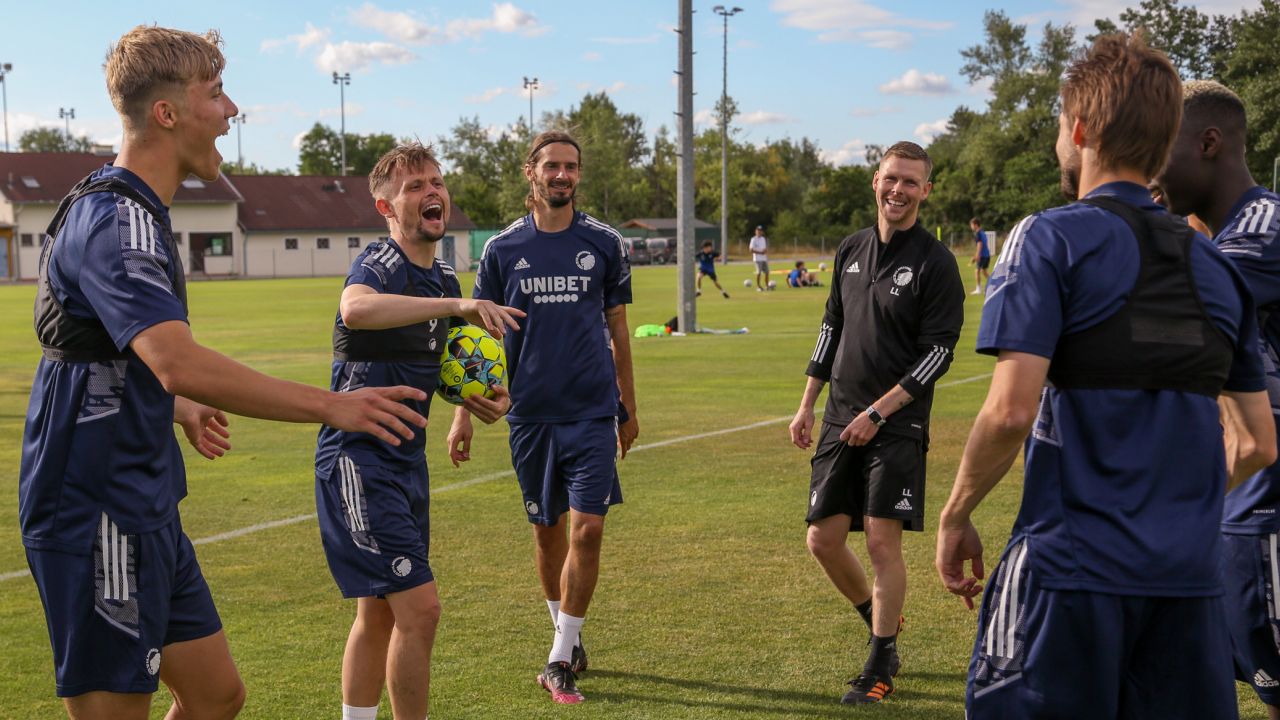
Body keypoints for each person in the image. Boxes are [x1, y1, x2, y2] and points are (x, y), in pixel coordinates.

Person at [18, 26, 427, 720]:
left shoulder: (130, 210)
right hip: (95, 507)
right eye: (216, 94)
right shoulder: (117, 219)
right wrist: (333, 405)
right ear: (166, 113)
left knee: (215, 696)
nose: (232, 110)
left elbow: (97, 342)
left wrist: (173, 405)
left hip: (144, 498)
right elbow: (176, 359)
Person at [936, 35, 1277, 719]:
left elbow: (1010, 412)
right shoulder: (1215, 267)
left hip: (1068, 574)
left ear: (1081, 130)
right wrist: (1173, 509)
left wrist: (956, 514)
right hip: (1187, 582)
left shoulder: (1048, 237)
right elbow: (1258, 442)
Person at [313, 142, 523, 720]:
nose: (432, 192)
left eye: (436, 182)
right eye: (414, 186)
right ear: (386, 207)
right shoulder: (381, 262)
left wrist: (469, 408)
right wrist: (455, 305)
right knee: (420, 609)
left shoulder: (444, 277)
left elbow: (451, 361)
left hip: (407, 461)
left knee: (378, 612)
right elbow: (356, 310)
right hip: (359, 460)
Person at [448, 129, 639, 705]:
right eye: (552, 165)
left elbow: (619, 330)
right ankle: (568, 637)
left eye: (571, 167)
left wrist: (628, 408)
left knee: (589, 529)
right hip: (529, 415)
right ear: (530, 172)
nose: (562, 175)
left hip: (591, 411)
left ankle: (558, 658)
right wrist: (461, 414)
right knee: (546, 530)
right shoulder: (502, 249)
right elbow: (478, 337)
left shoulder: (604, 243)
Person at [788, 140, 965, 705]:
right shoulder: (850, 248)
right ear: (875, 180)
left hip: (896, 424)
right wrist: (808, 402)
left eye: (911, 182)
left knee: (882, 541)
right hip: (841, 417)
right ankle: (878, 617)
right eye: (891, 178)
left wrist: (877, 412)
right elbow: (831, 327)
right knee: (822, 539)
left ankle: (880, 660)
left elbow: (938, 355)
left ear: (925, 191)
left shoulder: (936, 262)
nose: (898, 190)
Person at [1157, 79, 1280, 720]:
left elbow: (1170, 311)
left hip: (1265, 511)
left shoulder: (1262, 229)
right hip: (1225, 504)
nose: (1149, 167)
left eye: (1160, 148)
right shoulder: (1209, 237)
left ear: (1208, 143)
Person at [969, 218, 991, 295]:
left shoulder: (978, 233)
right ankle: (993, 284)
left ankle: (978, 289)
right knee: (984, 271)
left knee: (977, 271)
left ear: (975, 225)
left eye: (971, 225)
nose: (971, 226)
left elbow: (980, 245)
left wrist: (977, 256)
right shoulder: (982, 232)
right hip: (987, 255)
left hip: (982, 256)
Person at [749, 225, 770, 291]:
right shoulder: (753, 239)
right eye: (758, 230)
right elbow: (751, 250)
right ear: (755, 231)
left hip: (764, 258)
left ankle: (767, 286)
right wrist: (760, 252)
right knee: (758, 273)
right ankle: (758, 286)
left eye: (760, 230)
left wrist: (765, 251)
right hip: (757, 259)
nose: (759, 232)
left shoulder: (763, 239)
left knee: (767, 272)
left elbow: (764, 248)